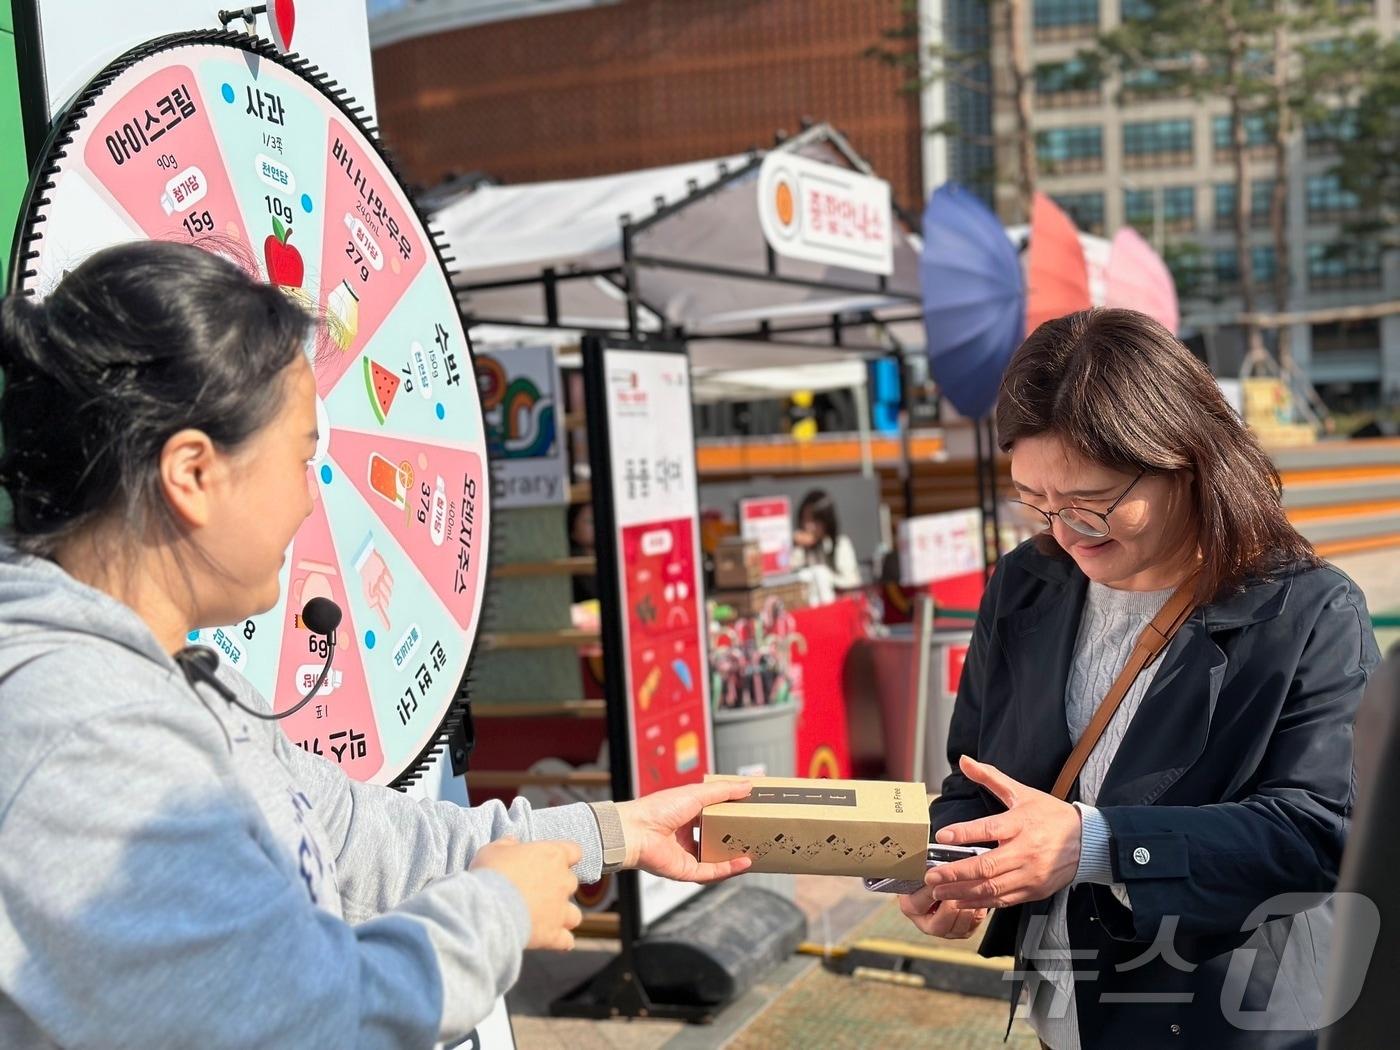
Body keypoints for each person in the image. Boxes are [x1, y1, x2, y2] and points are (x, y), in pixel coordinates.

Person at [0, 241, 751, 1050]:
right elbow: (292, 1021)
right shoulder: (81, 731)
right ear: (192, 472)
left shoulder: (184, 686)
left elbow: (361, 843)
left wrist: (614, 834)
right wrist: (494, 913)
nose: (310, 501)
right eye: (303, 458)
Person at [900, 309, 1378, 1049]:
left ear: (1185, 457)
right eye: (1037, 500)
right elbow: (977, 777)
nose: (1065, 530)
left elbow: (1322, 833)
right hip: (1068, 1004)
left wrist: (1097, 843)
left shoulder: (1308, 609)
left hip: (1230, 1016)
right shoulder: (1028, 581)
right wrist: (944, 867)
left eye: (1092, 501)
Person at [791, 489, 861, 591]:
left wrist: (824, 576)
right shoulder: (798, 548)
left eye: (814, 520)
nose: (808, 526)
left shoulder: (840, 544)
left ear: (826, 520)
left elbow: (852, 582)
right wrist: (795, 547)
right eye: (805, 519)